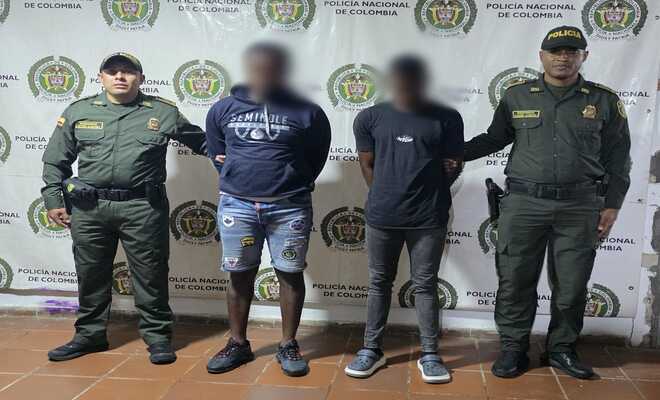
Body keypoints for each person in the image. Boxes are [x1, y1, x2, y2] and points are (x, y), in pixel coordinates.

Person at [462, 26, 631, 379]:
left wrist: (612, 204)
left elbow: (619, 157)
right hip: (524, 204)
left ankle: (562, 350)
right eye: (555, 51)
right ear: (541, 56)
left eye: (571, 51)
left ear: (584, 56)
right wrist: (451, 153)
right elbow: (494, 138)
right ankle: (513, 349)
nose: (563, 57)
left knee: (572, 286)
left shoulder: (603, 101)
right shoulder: (518, 96)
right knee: (515, 280)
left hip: (580, 207)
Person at [42, 52, 207, 365]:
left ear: (141, 79)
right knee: (90, 274)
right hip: (90, 209)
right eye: (112, 71)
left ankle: (158, 338)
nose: (120, 77)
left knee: (150, 274)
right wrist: (53, 200)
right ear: (101, 77)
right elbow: (55, 160)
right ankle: (89, 336)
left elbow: (203, 142)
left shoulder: (163, 112)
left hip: (143, 208)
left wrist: (241, 151)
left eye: (128, 72)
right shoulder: (79, 111)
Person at [204, 42, 331, 377]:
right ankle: (238, 343)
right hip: (238, 205)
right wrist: (238, 177)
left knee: (289, 274)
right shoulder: (223, 109)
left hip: (289, 207)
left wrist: (290, 180)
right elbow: (218, 154)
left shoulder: (308, 112)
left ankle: (288, 344)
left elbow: (315, 158)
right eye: (259, 68)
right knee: (240, 274)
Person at [344, 55, 464, 384]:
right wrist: (387, 193)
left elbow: (453, 164)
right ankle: (371, 349)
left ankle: (430, 354)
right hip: (382, 216)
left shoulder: (447, 117)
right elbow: (367, 165)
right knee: (379, 282)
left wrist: (429, 191)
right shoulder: (370, 117)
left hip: (428, 217)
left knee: (425, 284)